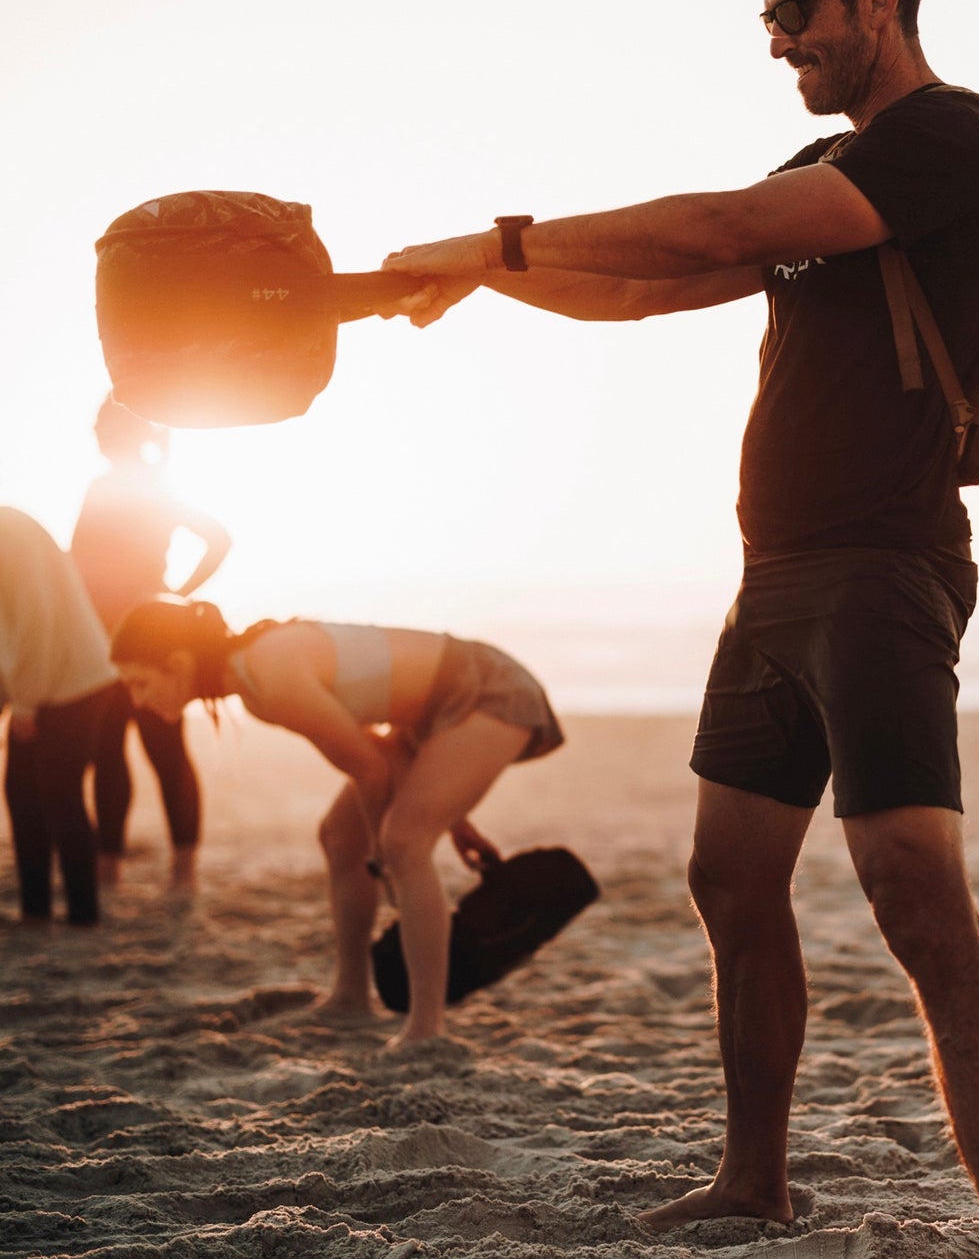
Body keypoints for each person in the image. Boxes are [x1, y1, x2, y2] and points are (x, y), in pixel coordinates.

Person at [378, 0, 979, 1259]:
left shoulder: (952, 142)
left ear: (877, 2)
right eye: (765, 18)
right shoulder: (828, 163)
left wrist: (495, 235)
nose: (777, 43)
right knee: (730, 877)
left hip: (882, 572)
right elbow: (659, 281)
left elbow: (728, 220)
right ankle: (757, 1181)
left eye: (795, 12)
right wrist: (482, 281)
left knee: (917, 907)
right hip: (774, 581)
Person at [109, 598, 564, 1048]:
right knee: (341, 836)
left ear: (177, 662)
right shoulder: (255, 684)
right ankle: (351, 995)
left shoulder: (269, 674)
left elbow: (371, 770)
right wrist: (453, 822)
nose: (138, 701)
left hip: (486, 688)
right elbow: (372, 756)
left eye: (140, 682)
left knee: (403, 842)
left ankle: (427, 1030)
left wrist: (382, 858)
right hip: (425, 717)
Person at [70, 397, 231, 889]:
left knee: (164, 751)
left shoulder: (147, 487)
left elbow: (218, 539)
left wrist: (174, 598)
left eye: (101, 424)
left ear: (121, 432)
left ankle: (182, 870)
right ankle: (111, 867)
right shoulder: (107, 486)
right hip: (103, 641)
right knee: (109, 751)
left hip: (145, 640)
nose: (94, 431)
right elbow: (81, 562)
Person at [1, 506, 117, 926]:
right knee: (21, 793)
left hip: (76, 682)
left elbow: (38, 621)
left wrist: (26, 703)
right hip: (40, 681)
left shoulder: (9, 532)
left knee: (59, 796)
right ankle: (36, 911)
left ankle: (84, 915)